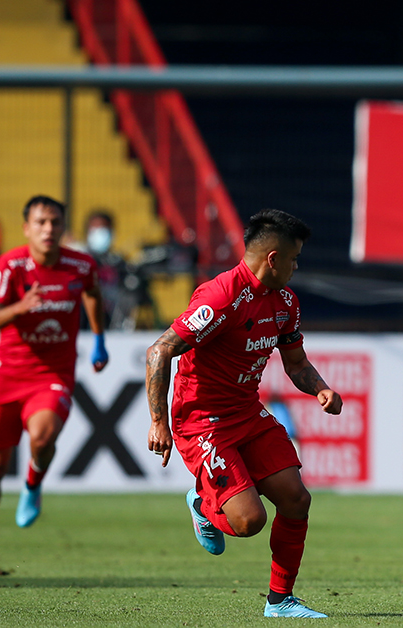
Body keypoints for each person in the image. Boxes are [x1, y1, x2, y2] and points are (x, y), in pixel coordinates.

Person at [145, 208, 340, 619]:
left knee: (296, 499)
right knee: (250, 522)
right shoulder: (220, 298)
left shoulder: (285, 302)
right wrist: (159, 421)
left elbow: (297, 365)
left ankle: (280, 601)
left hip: (248, 414)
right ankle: (203, 503)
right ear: (273, 258)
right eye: (293, 258)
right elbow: (160, 350)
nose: (296, 266)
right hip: (203, 423)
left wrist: (320, 388)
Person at [0, 195, 109, 565]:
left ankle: (32, 484)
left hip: (53, 374)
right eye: (41, 222)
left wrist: (98, 339)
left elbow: (93, 295)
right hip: (6, 376)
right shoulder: (10, 266)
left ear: (63, 227)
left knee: (43, 435)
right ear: (26, 228)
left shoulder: (80, 265)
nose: (48, 229)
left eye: (55, 222)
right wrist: (19, 307)